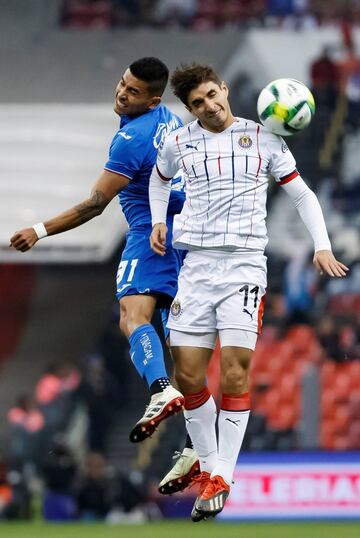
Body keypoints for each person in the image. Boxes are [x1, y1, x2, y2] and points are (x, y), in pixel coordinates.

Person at [149, 63, 349, 521]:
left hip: (243, 267)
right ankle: (205, 458)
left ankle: (221, 474)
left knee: (235, 372)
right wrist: (160, 219)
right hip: (195, 266)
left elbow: (302, 195)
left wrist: (321, 245)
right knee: (188, 377)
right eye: (197, 103)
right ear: (190, 108)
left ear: (224, 89)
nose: (209, 106)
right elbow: (158, 180)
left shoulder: (264, 138)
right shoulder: (178, 141)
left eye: (212, 95)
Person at [10, 57, 185, 443]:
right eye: (122, 84)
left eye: (133, 92)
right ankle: (196, 433)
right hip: (186, 232)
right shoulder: (171, 120)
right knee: (179, 332)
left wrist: (39, 230)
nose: (122, 93)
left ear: (153, 100)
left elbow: (95, 204)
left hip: (151, 232)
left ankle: (160, 388)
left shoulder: (131, 139)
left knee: (132, 315)